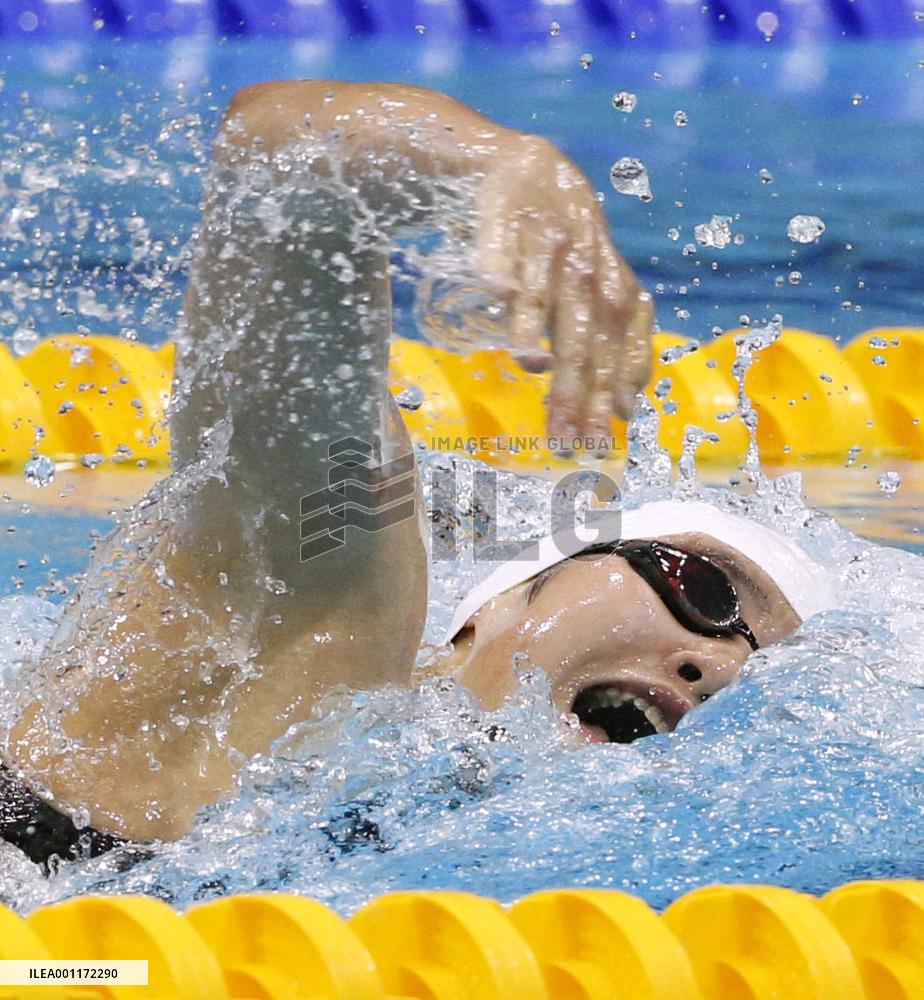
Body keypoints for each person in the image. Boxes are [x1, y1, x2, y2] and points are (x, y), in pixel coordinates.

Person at [0, 81, 832, 868]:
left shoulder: (473, 848)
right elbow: (275, 161)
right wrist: (497, 164)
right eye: (708, 592)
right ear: (505, 597)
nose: (718, 666)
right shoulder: (320, 621)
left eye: (757, 675)